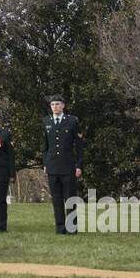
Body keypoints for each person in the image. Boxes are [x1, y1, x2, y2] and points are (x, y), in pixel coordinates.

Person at [40, 95, 84, 235]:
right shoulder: (46, 121)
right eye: (53, 104)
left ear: (63, 105)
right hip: (52, 166)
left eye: (58, 104)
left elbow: (79, 146)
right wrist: (45, 163)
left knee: (70, 199)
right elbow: (45, 146)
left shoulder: (72, 121)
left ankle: (72, 228)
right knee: (57, 200)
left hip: (68, 166)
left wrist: (79, 165)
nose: (55, 107)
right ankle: (60, 228)